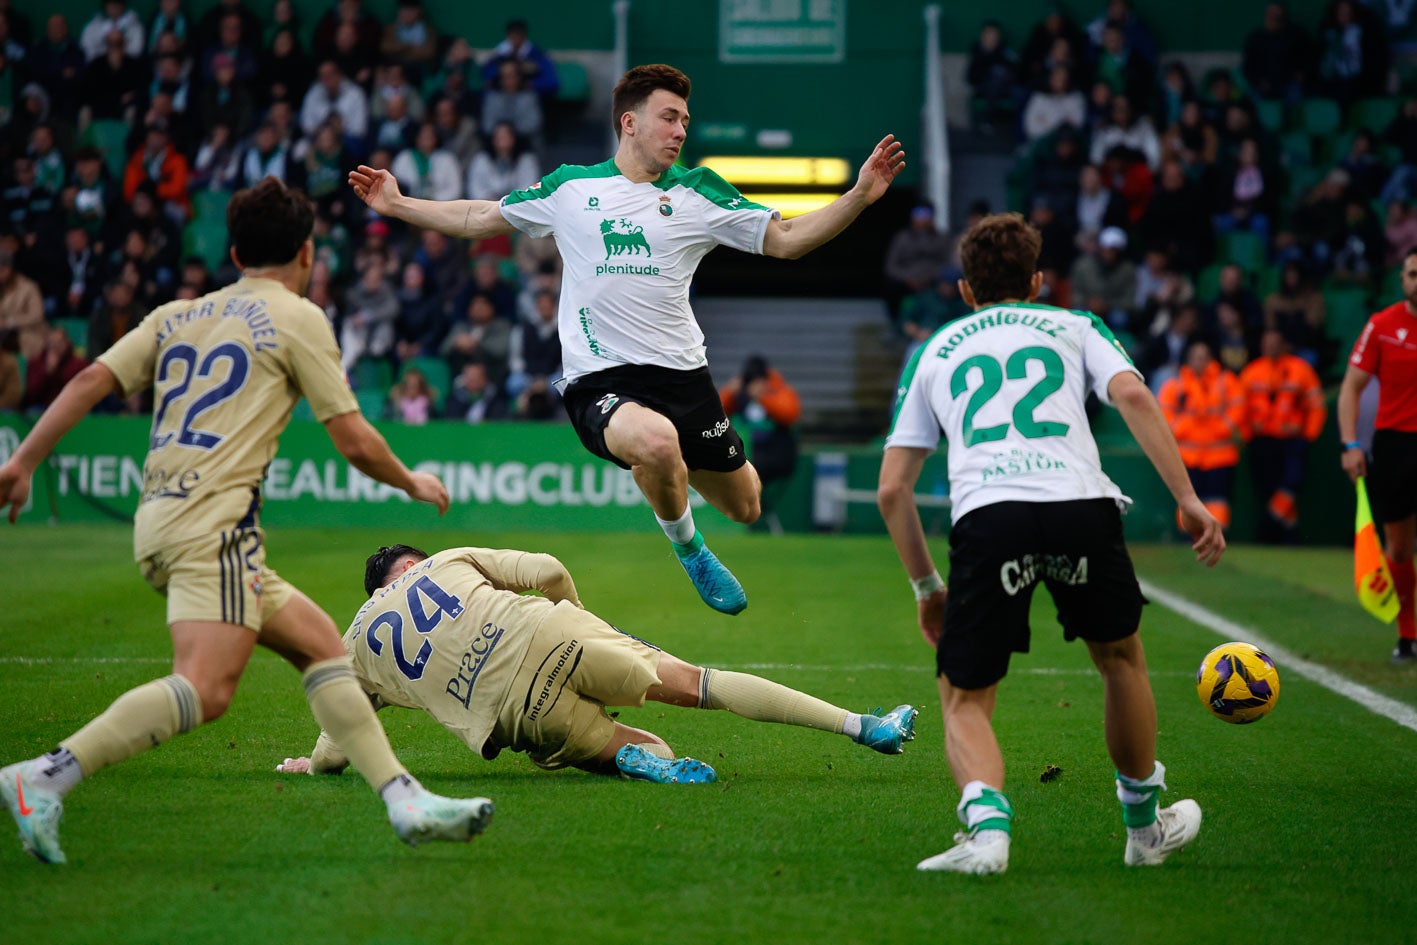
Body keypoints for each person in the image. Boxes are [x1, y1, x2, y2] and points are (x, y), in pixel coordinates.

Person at [0, 177, 494, 866]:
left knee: (322, 645)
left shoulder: (176, 314)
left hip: (164, 516)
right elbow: (352, 439)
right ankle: (43, 776)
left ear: (233, 252)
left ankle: (404, 799)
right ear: (306, 252)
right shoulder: (298, 317)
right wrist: (412, 481)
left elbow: (87, 381)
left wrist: (23, 462)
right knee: (205, 688)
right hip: (215, 526)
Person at [348, 63, 904, 616]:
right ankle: (691, 550)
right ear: (629, 123)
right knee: (657, 443)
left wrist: (858, 195)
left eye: (685, 120)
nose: (681, 130)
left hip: (684, 377)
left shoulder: (699, 191)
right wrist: (398, 205)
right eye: (669, 117)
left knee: (747, 505)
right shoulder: (570, 186)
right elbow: (481, 216)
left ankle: (660, 473)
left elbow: (785, 241)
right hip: (600, 378)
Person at [876, 212, 1225, 874]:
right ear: (1037, 281)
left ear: (964, 289)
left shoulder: (936, 348)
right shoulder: (1074, 326)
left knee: (964, 694)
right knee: (1120, 659)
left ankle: (986, 833)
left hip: (989, 515)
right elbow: (1133, 394)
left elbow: (892, 490)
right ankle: (1144, 828)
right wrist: (1184, 496)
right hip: (1078, 505)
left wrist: (927, 588)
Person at [275, 544, 918, 783]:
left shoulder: (357, 642)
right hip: (558, 634)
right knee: (704, 685)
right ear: (414, 567)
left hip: (515, 715)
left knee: (647, 744)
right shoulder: (445, 561)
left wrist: (316, 763)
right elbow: (549, 570)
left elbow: (341, 730)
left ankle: (629, 760)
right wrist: (587, 624)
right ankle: (866, 727)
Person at [1338, 247, 1417, 661]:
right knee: (1399, 548)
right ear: (1402, 279)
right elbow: (1351, 387)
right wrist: (1351, 443)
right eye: (1412, 273)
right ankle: (1408, 635)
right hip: (1397, 445)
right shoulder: (1383, 325)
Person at [1240, 329, 1325, 544]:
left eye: (1275, 343)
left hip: (1292, 440)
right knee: (1266, 489)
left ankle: (1268, 527)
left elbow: (1316, 406)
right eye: (1266, 343)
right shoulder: (1253, 371)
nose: (1270, 347)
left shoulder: (1300, 370)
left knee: (1291, 483)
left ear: (1284, 345)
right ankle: (1288, 534)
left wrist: (1309, 435)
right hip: (1262, 440)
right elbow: (1240, 408)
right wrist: (1247, 434)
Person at [1158, 340, 1247, 531]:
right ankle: (1188, 537)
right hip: (1187, 456)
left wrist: (1221, 427)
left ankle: (1217, 536)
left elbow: (1238, 408)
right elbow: (1164, 415)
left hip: (1220, 455)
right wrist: (1184, 427)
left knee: (1217, 500)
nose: (1200, 361)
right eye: (1196, 356)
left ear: (1210, 359)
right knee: (1189, 500)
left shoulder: (1225, 380)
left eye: (1204, 356)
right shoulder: (1176, 384)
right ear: (1189, 359)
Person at [719, 354, 800, 527]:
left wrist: (762, 396)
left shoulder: (777, 389)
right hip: (746, 453)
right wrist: (731, 390)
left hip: (775, 457)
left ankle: (748, 512)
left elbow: (790, 414)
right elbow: (714, 413)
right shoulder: (739, 394)